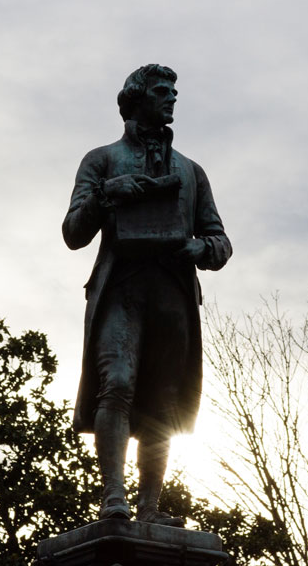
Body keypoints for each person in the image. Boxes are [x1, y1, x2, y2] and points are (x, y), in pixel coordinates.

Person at [62, 64, 231, 526]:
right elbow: (74, 233)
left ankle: (150, 508)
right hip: (122, 289)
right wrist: (106, 195)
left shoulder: (191, 172)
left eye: (174, 92)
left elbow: (219, 240)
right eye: (162, 91)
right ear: (136, 99)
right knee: (116, 381)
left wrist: (200, 247)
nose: (172, 98)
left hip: (172, 296)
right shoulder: (101, 160)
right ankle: (113, 497)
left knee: (162, 399)